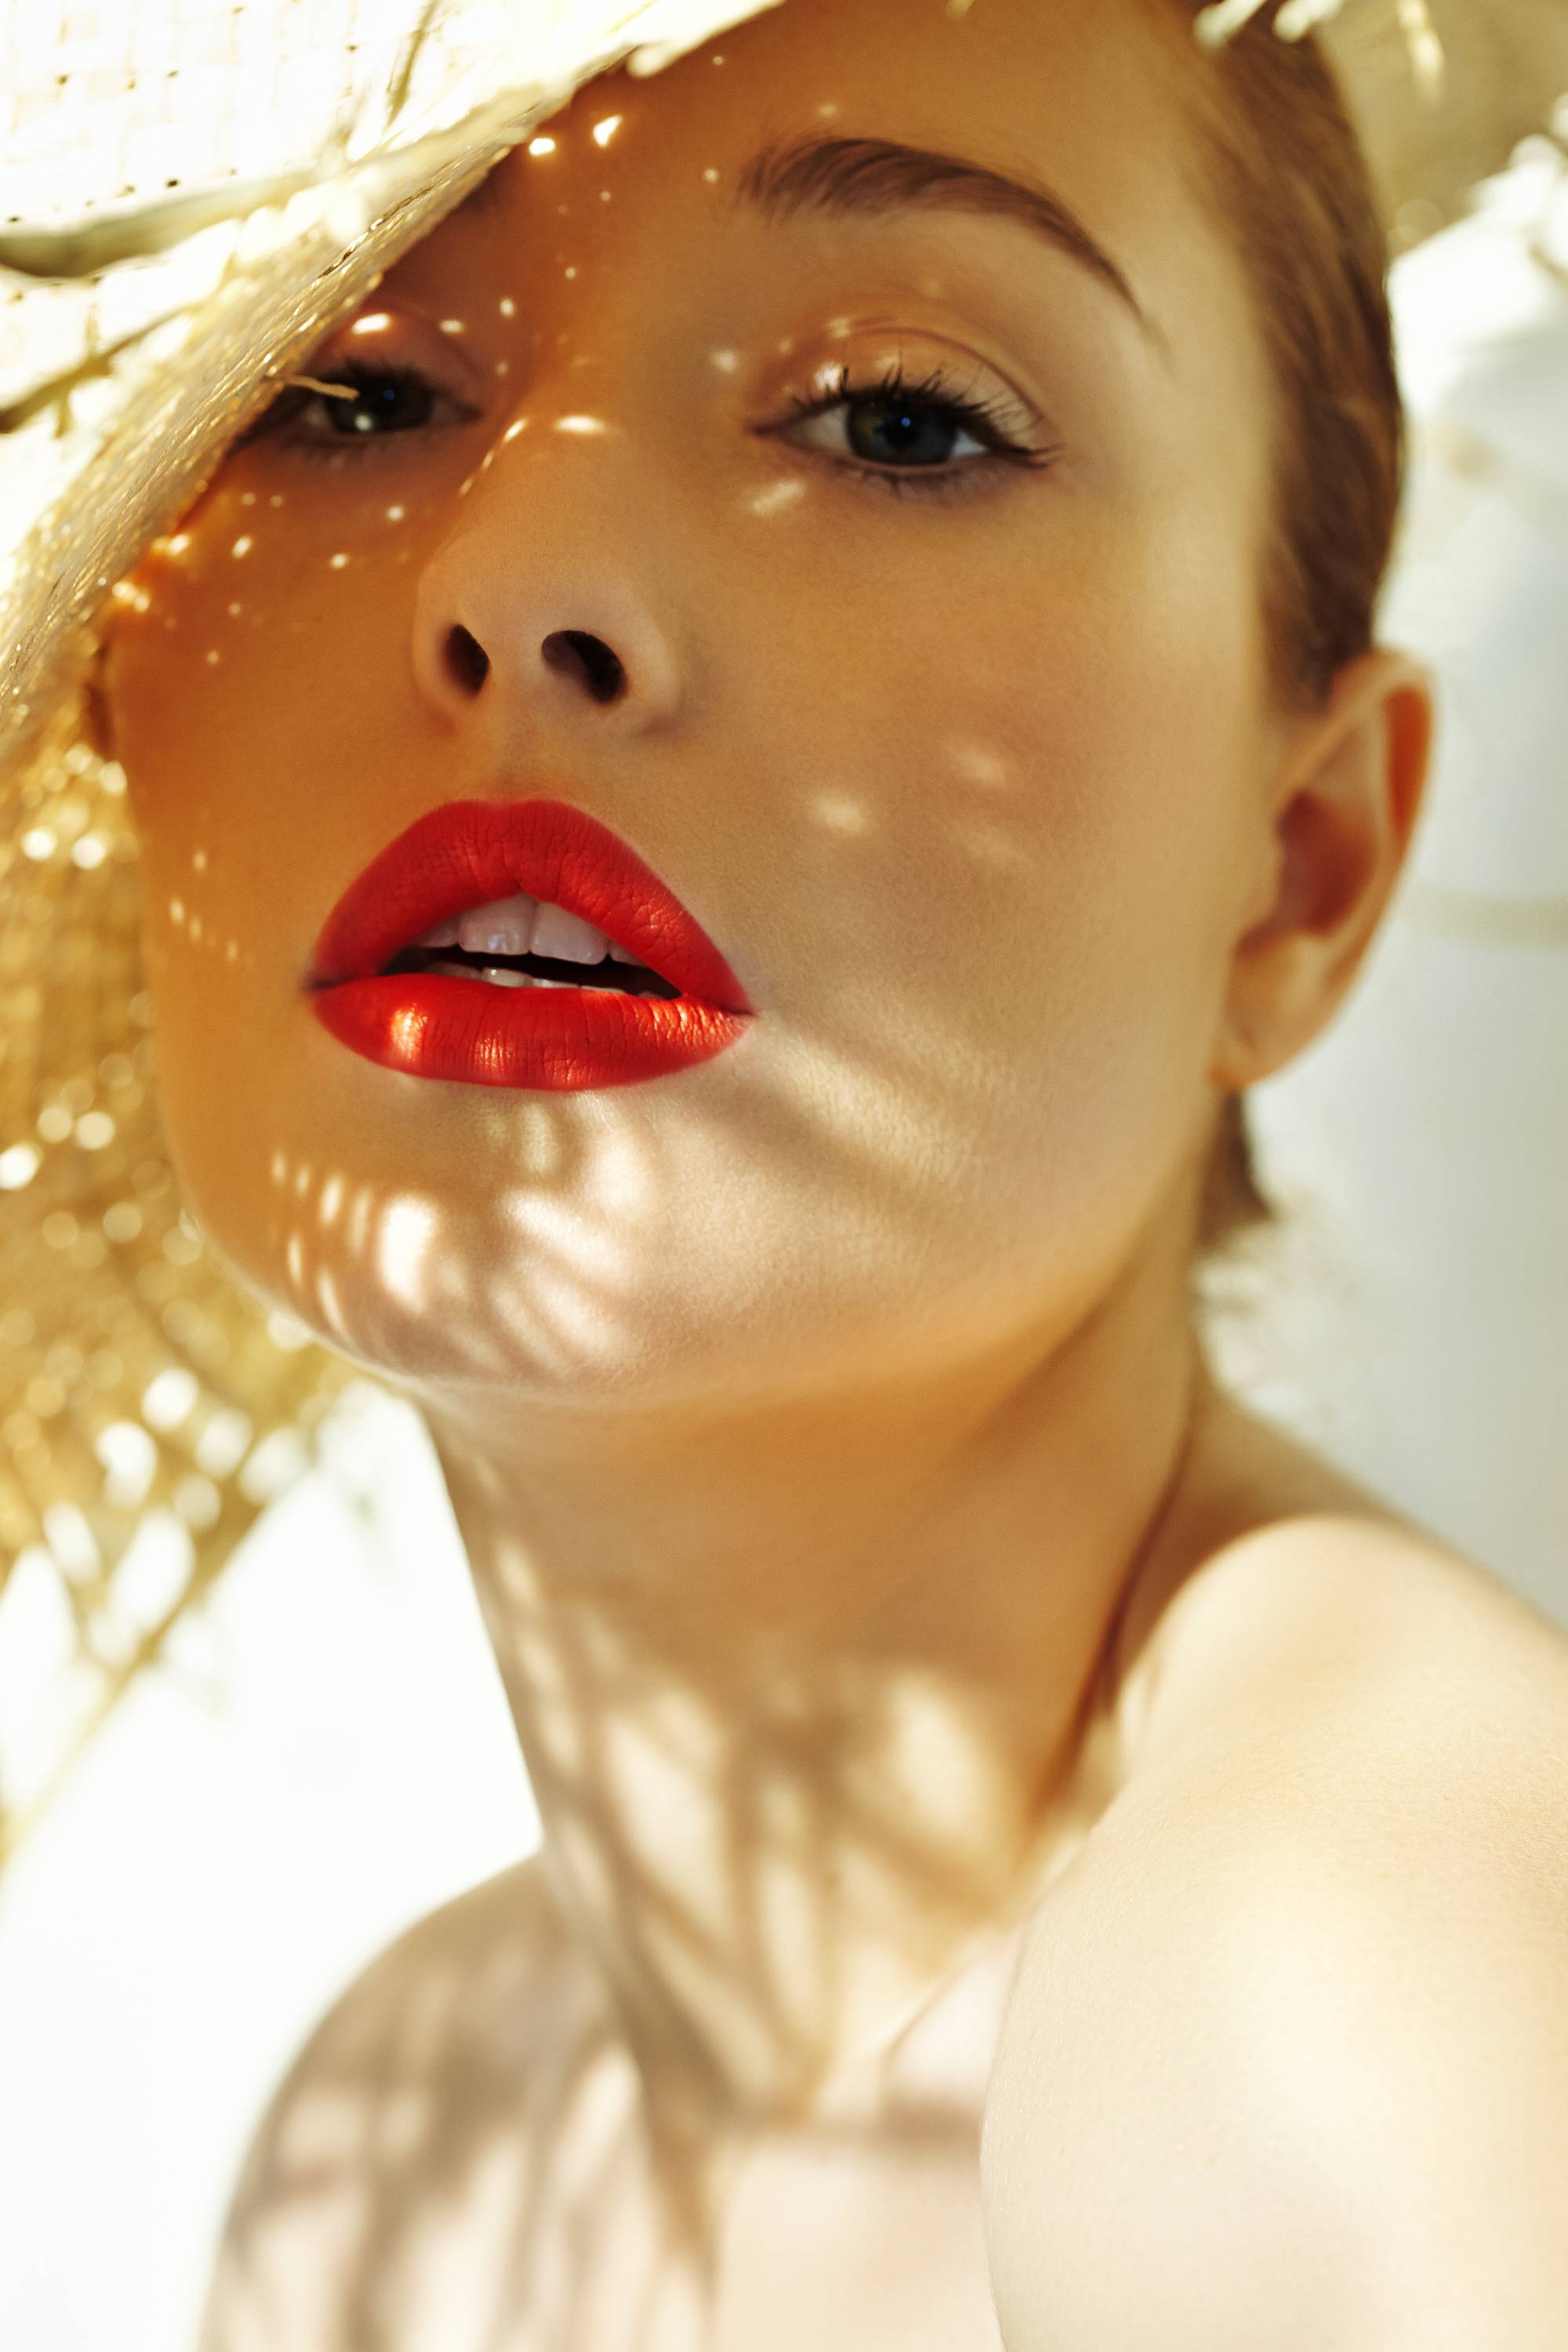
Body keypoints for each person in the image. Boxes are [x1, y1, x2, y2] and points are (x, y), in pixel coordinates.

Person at [53, 0, 1568, 2339]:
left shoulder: (1351, 1986)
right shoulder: (410, 2169)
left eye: (900, 419)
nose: (525, 566)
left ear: (1296, 874)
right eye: (351, 392)